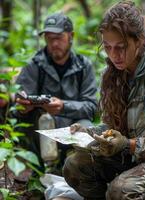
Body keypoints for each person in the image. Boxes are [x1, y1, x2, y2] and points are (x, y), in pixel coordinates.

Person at [63, 1, 145, 199]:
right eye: (107, 47)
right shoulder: (113, 73)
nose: (114, 55)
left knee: (120, 190)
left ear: (139, 41)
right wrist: (89, 133)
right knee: (75, 166)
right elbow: (115, 126)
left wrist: (128, 145)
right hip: (129, 157)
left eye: (121, 47)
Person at [14, 12, 97, 168]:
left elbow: (92, 108)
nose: (54, 44)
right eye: (49, 38)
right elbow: (16, 108)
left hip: (72, 126)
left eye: (58, 38)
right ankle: (39, 170)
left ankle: (78, 169)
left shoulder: (83, 66)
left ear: (71, 36)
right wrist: (23, 108)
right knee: (32, 121)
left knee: (87, 126)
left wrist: (63, 106)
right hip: (42, 132)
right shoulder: (34, 66)